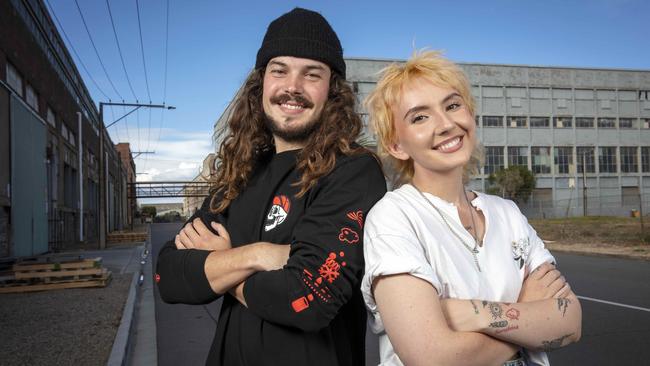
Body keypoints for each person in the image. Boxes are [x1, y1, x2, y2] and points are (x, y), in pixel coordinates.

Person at [155, 7, 386, 366]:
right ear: (261, 83)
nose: (292, 87)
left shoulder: (354, 170)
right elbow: (168, 276)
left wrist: (221, 263)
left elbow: (309, 298)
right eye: (280, 70)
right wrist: (259, 254)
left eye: (311, 74)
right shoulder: (241, 172)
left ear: (333, 91)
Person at [361, 51, 582, 366]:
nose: (447, 124)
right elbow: (431, 358)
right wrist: (527, 317)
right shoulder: (393, 218)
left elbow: (570, 323)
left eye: (452, 105)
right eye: (420, 117)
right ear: (397, 145)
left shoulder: (508, 213)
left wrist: (467, 313)